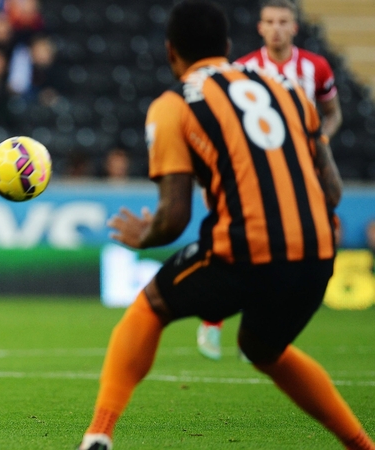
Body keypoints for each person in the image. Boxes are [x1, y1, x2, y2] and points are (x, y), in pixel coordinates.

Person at [78, 2, 375, 449]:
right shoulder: (289, 90)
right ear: (229, 46)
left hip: (247, 247)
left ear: (170, 53)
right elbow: (331, 191)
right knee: (263, 350)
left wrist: (147, 235)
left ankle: (98, 434)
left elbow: (174, 217)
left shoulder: (172, 105)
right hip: (317, 252)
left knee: (151, 305)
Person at [197, 0, 344, 361]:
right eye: (269, 21)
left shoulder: (317, 68)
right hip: (257, 175)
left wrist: (318, 141)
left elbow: (333, 113)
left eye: (283, 21)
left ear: (294, 27)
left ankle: (262, 331)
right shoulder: (242, 69)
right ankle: (212, 320)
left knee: (294, 249)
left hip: (302, 175)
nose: (276, 28)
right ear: (260, 28)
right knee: (240, 242)